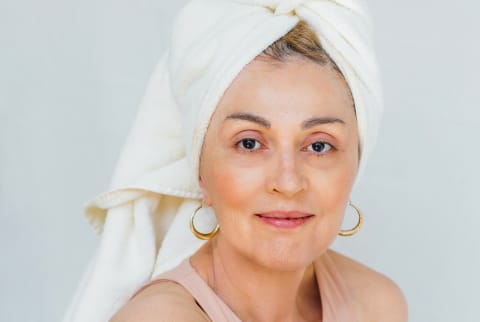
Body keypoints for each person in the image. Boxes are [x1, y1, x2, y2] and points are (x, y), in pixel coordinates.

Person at [64, 1, 407, 321]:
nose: (287, 182)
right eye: (249, 143)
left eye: (318, 146)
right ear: (201, 172)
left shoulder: (377, 304)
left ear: (356, 164)